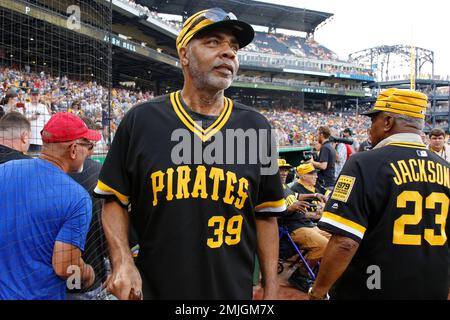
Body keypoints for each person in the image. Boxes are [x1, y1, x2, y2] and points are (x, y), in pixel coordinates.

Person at [94, 8, 285, 300]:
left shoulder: (256, 127)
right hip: (156, 290)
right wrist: (122, 260)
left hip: (231, 294)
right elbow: (113, 199)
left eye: (233, 46)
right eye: (213, 42)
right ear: (184, 54)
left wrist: (271, 289)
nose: (229, 53)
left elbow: (266, 215)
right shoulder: (141, 120)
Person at [309, 88, 450, 300]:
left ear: (387, 122)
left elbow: (345, 242)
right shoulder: (446, 168)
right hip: (433, 287)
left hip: (373, 287)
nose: (370, 128)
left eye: (373, 120)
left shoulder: (363, 163)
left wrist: (318, 292)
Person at [0, 112, 101, 299]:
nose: (90, 152)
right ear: (73, 149)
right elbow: (65, 268)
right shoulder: (76, 197)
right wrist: (87, 273)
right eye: (88, 146)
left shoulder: (6, 169)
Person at [66, 117, 108, 300]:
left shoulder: (44, 175)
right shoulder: (100, 172)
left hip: (55, 277)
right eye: (90, 145)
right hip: (90, 269)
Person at [278, 162, 330, 291]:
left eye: (286, 170)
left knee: (336, 239)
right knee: (323, 245)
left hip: (307, 224)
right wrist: (290, 209)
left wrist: (314, 195)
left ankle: (320, 271)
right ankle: (300, 275)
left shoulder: (284, 186)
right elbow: (269, 214)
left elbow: (297, 196)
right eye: (281, 170)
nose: (284, 173)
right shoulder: (270, 189)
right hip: (293, 226)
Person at [24, 88, 51, 153]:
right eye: (33, 95)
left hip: (38, 139)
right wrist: (30, 118)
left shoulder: (43, 107)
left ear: (39, 96)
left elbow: (47, 123)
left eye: (36, 95)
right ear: (30, 96)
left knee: (36, 159)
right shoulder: (25, 105)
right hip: (25, 139)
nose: (35, 97)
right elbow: (19, 120)